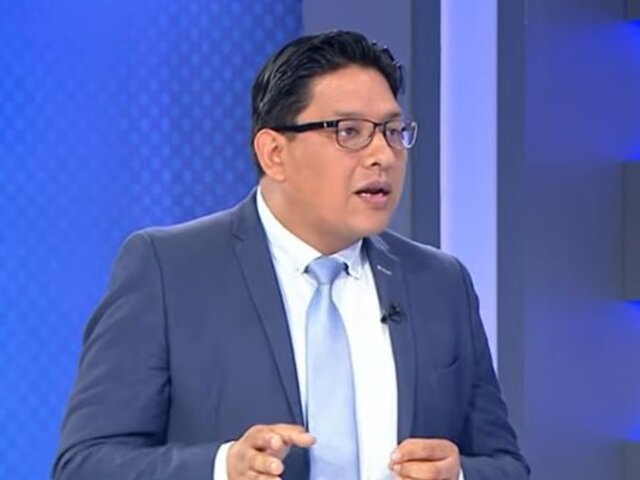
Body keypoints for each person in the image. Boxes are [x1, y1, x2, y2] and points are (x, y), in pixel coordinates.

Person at [53, 30, 529, 480]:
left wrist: (458, 474)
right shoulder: (169, 269)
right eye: (349, 132)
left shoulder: (440, 283)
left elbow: (506, 465)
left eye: (391, 130)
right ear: (274, 153)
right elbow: (85, 464)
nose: (382, 155)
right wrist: (222, 468)